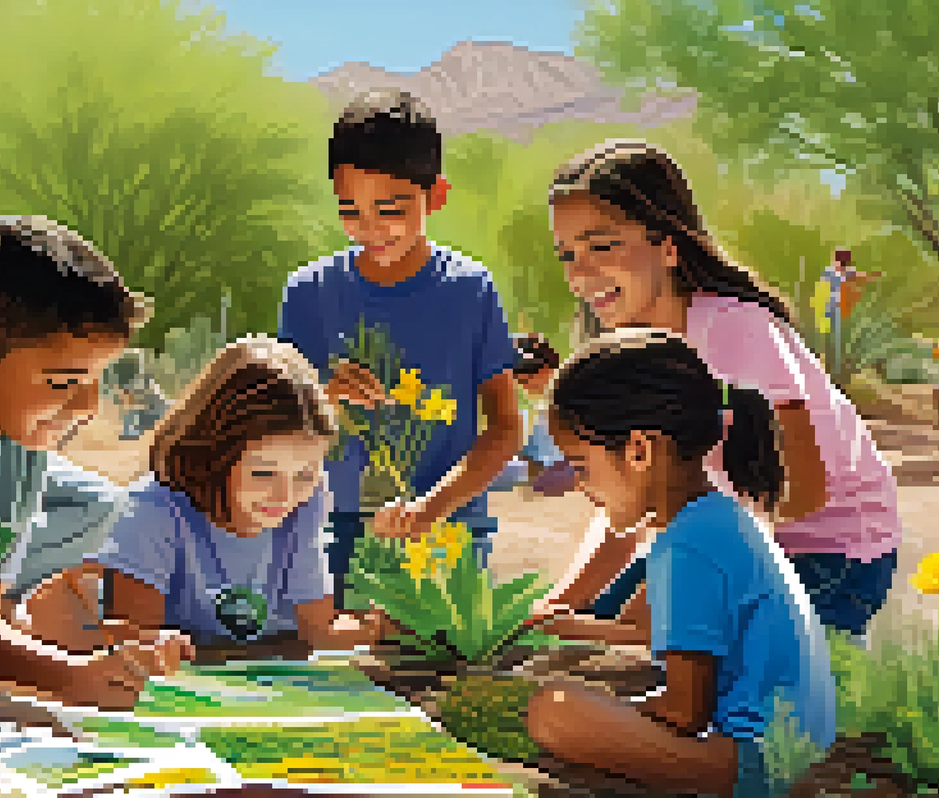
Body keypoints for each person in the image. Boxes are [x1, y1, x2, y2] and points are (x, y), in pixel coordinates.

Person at [550, 139, 901, 643]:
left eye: (603, 246)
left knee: (646, 649)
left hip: (827, 554)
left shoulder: (736, 332)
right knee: (584, 627)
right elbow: (623, 503)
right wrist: (563, 600)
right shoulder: (621, 352)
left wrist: (651, 606)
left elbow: (799, 495)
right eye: (568, 255)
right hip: (727, 536)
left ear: (668, 246)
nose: (582, 275)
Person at [524, 329, 835, 798]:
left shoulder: (686, 544)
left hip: (759, 766)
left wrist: (617, 713)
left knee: (555, 710)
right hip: (793, 748)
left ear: (640, 451)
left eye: (582, 466)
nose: (581, 487)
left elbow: (684, 711)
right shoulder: (715, 519)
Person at [0, 216, 192, 711]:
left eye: (96, 379)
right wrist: (72, 678)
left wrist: (93, 664)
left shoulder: (23, 448)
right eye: (64, 381)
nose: (88, 406)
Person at [277, 89, 523, 597]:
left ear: (436, 196)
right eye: (350, 210)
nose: (369, 228)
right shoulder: (308, 292)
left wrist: (432, 507)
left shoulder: (470, 288)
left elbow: (504, 429)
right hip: (337, 530)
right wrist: (320, 393)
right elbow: (278, 423)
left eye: (390, 208)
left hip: (450, 530)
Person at [33, 337, 391, 651]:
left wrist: (380, 627)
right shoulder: (154, 510)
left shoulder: (306, 501)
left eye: (305, 473)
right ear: (215, 457)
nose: (285, 494)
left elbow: (319, 630)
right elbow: (136, 644)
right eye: (262, 472)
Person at [489, 333, 576, 497]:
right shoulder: (542, 409)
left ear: (545, 369)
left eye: (525, 380)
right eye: (519, 382)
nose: (524, 387)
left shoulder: (568, 402)